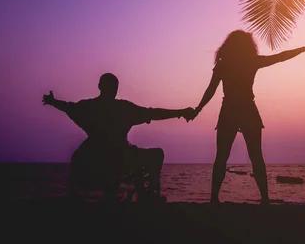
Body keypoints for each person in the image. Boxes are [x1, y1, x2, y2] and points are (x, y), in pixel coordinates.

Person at [188, 30, 305, 204]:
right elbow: (280, 57)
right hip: (245, 110)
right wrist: (302, 49)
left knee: (223, 156)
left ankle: (215, 198)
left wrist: (198, 109)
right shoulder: (249, 62)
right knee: (254, 156)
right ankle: (264, 199)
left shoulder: (225, 64)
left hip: (230, 110)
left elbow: (211, 90)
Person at [42, 73, 193, 202]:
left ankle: (74, 196)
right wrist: (181, 112)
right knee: (154, 155)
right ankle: (145, 195)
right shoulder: (122, 108)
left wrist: (53, 102)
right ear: (104, 87)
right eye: (112, 87)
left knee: (78, 156)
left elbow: (69, 107)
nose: (113, 90)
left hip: (99, 156)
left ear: (100, 86)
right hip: (119, 157)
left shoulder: (89, 107)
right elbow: (153, 113)